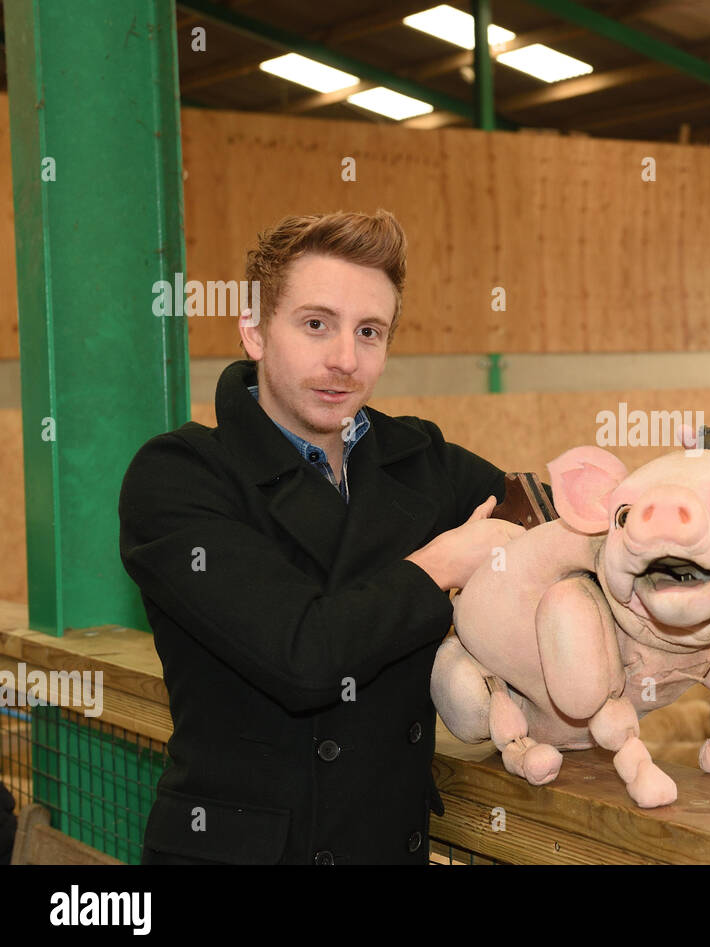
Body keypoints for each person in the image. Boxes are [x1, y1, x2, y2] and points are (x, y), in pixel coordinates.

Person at [118, 210, 529, 864]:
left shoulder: (416, 458)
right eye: (316, 324)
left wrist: (694, 493)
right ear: (253, 329)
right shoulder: (181, 476)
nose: (345, 359)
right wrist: (444, 560)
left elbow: (548, 517)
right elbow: (302, 656)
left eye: (370, 332)